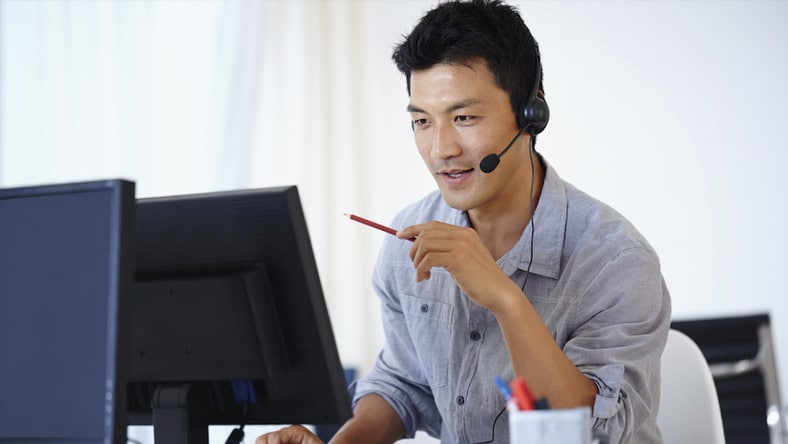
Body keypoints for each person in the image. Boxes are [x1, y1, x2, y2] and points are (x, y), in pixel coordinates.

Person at [257, 0, 671, 443]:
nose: (441, 149)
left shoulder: (616, 262)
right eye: (421, 121)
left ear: (533, 114)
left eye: (464, 118)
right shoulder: (408, 238)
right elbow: (405, 385)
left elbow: (593, 432)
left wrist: (504, 298)